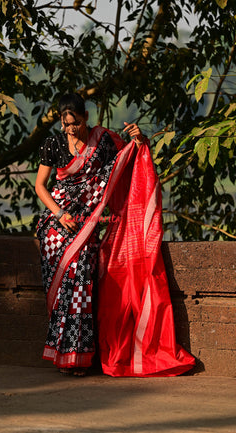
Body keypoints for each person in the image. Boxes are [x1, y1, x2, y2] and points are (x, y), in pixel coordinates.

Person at [35, 93, 195, 377]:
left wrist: (139, 139)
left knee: (82, 283)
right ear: (60, 121)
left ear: (86, 117)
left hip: (87, 223)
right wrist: (61, 215)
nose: (71, 129)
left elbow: (129, 162)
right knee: (63, 291)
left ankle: (78, 358)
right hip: (57, 223)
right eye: (66, 123)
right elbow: (40, 187)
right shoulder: (54, 143)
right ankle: (63, 356)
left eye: (76, 123)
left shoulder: (104, 141)